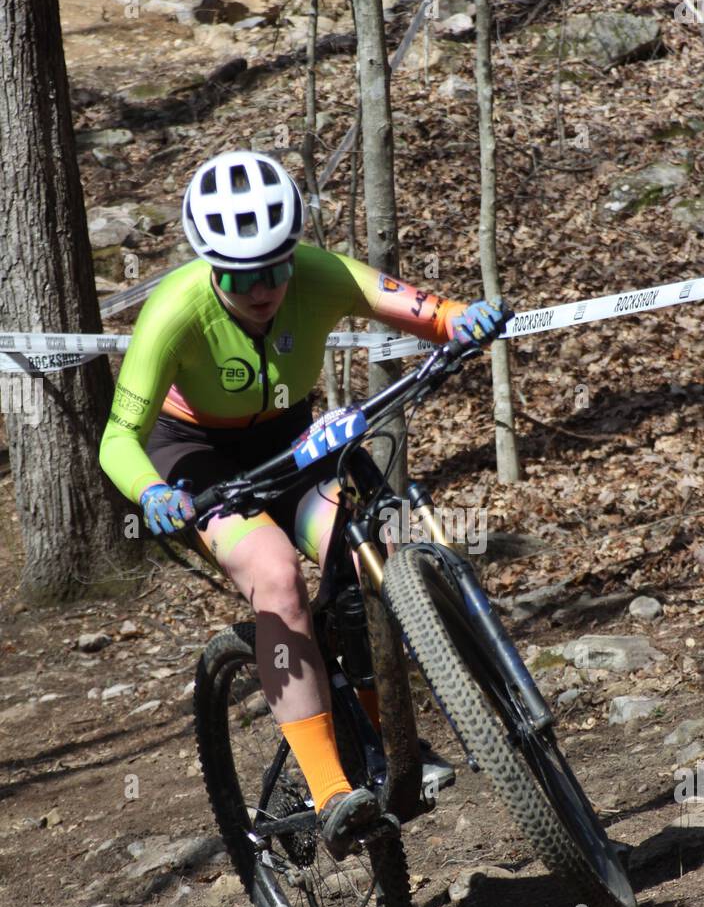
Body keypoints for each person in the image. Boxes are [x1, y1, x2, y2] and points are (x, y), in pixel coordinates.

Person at [99, 149, 512, 857]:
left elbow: (414, 306)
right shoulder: (174, 311)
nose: (263, 289)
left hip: (289, 441)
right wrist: (155, 494)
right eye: (240, 275)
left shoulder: (319, 274)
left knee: (366, 547)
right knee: (277, 576)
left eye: (276, 268)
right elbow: (117, 439)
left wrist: (460, 320)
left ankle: (388, 734)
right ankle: (329, 790)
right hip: (192, 455)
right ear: (209, 266)